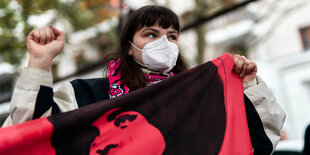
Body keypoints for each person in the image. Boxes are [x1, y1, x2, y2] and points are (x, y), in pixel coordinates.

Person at [2, 5, 285, 153]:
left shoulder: (199, 97)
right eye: (151, 34)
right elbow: (31, 134)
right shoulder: (84, 94)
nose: (165, 42)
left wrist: (247, 84)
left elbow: (258, 144)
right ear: (129, 45)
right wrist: (41, 61)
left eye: (172, 36)